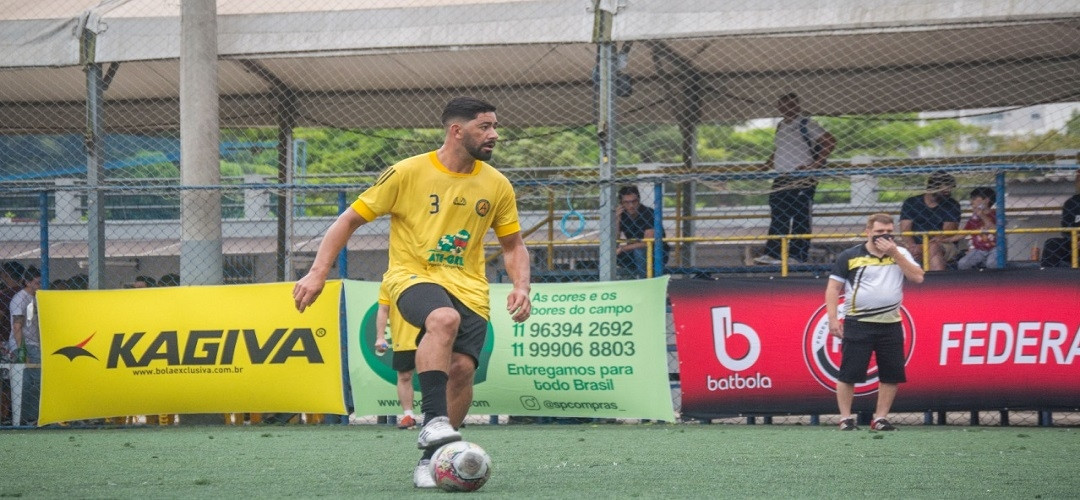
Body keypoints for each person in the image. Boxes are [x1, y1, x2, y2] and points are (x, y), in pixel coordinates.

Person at [292, 97, 531, 488]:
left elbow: (513, 245)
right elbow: (348, 220)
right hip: (411, 275)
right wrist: (318, 273)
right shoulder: (407, 172)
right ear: (457, 131)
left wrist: (522, 285)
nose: (494, 135)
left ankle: (433, 459)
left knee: (462, 370)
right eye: (484, 127)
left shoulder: (496, 184)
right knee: (443, 318)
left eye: (494, 126)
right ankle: (433, 421)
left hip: (470, 287)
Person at [826, 214, 924, 431]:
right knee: (849, 372)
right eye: (879, 232)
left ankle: (880, 418)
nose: (884, 235)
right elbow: (833, 288)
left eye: (888, 231)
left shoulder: (901, 253)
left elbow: (918, 277)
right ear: (868, 231)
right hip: (858, 322)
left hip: (890, 323)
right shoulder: (850, 256)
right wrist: (833, 319)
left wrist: (895, 253)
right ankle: (845, 418)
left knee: (891, 372)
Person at [755, 92, 836, 265]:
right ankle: (773, 253)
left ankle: (797, 255)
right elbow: (779, 149)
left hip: (802, 177)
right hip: (782, 176)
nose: (787, 108)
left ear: (797, 106)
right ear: (779, 107)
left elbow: (830, 141)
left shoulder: (807, 124)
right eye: (784, 105)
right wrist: (767, 164)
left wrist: (815, 164)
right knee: (778, 214)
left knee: (800, 215)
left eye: (791, 104)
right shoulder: (781, 126)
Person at [375, 281, 418, 430]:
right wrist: (380, 337)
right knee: (404, 376)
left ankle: (441, 416)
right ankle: (408, 415)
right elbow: (383, 309)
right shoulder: (390, 281)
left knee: (437, 375)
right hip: (403, 338)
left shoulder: (432, 274)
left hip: (431, 336)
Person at [899, 171, 962, 271]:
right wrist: (912, 247)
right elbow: (905, 229)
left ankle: (936, 283)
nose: (948, 193)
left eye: (950, 190)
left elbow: (946, 233)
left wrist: (922, 247)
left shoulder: (952, 204)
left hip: (942, 243)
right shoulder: (911, 202)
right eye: (945, 190)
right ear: (933, 188)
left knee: (933, 248)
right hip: (913, 244)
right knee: (893, 246)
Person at [9, 265, 42, 426]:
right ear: (27, 282)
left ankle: (30, 417)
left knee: (34, 381)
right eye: (36, 283)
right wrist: (22, 350)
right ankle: (28, 418)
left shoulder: (36, 298)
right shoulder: (20, 299)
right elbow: (17, 326)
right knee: (30, 382)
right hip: (25, 344)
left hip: (34, 343)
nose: (39, 286)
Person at [615, 185, 670, 278]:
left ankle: (645, 281)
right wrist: (617, 219)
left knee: (639, 251)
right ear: (621, 204)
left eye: (634, 201)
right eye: (626, 202)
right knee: (609, 252)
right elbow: (615, 239)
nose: (631, 205)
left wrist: (622, 248)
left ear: (639, 200)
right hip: (632, 251)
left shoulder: (648, 213)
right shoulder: (622, 215)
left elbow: (646, 243)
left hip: (656, 252)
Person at [1, 261, 26, 426]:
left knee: (5, 381)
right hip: (20, 341)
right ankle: (12, 412)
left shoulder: (5, 295)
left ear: (6, 275)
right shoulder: (25, 294)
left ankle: (4, 414)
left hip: (6, 342)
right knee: (17, 379)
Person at [951, 187, 999, 270]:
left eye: (974, 199)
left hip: (995, 248)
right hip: (979, 249)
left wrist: (981, 215)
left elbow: (995, 230)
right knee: (963, 264)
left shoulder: (996, 215)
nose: (971, 202)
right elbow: (963, 233)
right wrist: (946, 239)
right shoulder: (973, 218)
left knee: (992, 264)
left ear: (986, 200)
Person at [1041, 170, 1080, 268]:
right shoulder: (1072, 203)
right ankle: (1049, 278)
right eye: (1078, 179)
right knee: (1052, 244)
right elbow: (1065, 230)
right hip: (1075, 243)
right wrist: (1075, 240)